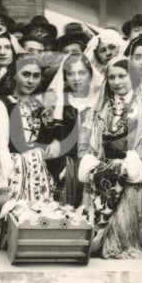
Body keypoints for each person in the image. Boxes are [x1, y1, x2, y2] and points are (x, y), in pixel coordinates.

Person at [78, 57, 142, 259]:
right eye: (111, 77)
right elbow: (88, 141)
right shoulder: (98, 109)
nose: (117, 81)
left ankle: (122, 243)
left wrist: (129, 163)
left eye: (122, 76)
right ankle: (99, 244)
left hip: (133, 169)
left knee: (130, 220)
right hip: (102, 168)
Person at [0, 54, 62, 249]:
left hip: (38, 176)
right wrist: (2, 186)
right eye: (25, 74)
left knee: (36, 224)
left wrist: (53, 139)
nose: (30, 80)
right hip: (12, 173)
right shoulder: (2, 104)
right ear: (13, 76)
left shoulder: (40, 104)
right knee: (8, 225)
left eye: (36, 76)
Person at [42, 52, 95, 207]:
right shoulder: (59, 101)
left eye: (81, 73)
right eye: (70, 74)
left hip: (92, 164)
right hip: (64, 164)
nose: (76, 78)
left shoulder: (99, 101)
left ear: (90, 74)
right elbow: (49, 135)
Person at [83, 28, 126, 94]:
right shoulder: (96, 82)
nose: (108, 53)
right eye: (102, 50)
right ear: (98, 56)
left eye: (112, 47)